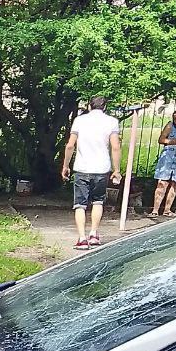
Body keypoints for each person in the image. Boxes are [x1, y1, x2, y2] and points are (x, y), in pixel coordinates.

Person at [61, 96, 122, 251]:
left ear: (89, 106)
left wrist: (65, 165)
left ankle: (82, 238)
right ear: (105, 107)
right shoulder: (112, 122)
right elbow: (115, 147)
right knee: (98, 202)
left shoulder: (79, 121)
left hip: (82, 168)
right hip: (102, 168)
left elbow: (70, 145)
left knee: (80, 204)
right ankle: (94, 234)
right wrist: (117, 170)